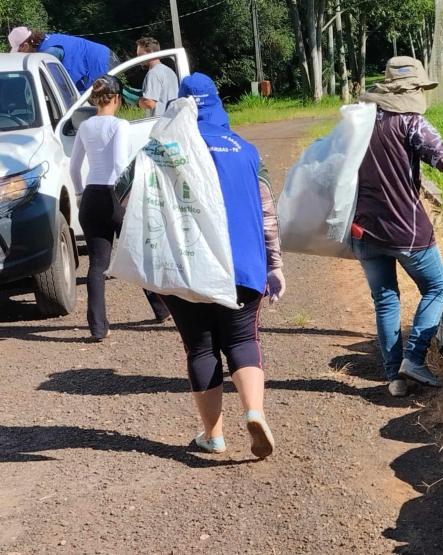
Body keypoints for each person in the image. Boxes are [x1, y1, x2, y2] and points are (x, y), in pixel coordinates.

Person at [355, 57, 443, 398]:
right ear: (413, 89)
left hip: (363, 228)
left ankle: (394, 378)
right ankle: (414, 358)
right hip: (406, 228)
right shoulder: (411, 123)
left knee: (385, 300)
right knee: (437, 288)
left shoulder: (360, 119)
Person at [163, 72, 284, 458]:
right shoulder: (245, 149)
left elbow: (125, 193)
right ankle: (254, 411)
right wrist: (274, 264)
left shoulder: (161, 147)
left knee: (200, 348)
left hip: (186, 268)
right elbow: (267, 210)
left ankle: (213, 435)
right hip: (243, 266)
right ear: (218, 104)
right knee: (242, 341)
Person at [68, 76, 170, 341]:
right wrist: (127, 198)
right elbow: (120, 165)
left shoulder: (85, 126)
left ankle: (98, 327)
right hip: (114, 195)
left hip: (91, 196)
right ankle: (161, 308)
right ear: (116, 99)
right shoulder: (119, 125)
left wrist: (79, 193)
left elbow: (73, 166)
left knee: (97, 264)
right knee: (139, 253)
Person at [8, 27, 115, 93]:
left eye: (18, 51)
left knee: (104, 99)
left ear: (25, 46)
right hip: (105, 55)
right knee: (116, 92)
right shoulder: (47, 40)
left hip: (100, 63)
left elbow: (55, 82)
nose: (20, 55)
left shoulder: (48, 52)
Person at [135, 37, 178, 118]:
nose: (138, 59)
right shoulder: (170, 71)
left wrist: (136, 101)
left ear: (150, 53)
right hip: (171, 120)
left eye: (140, 55)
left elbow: (150, 103)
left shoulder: (153, 73)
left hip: (158, 123)